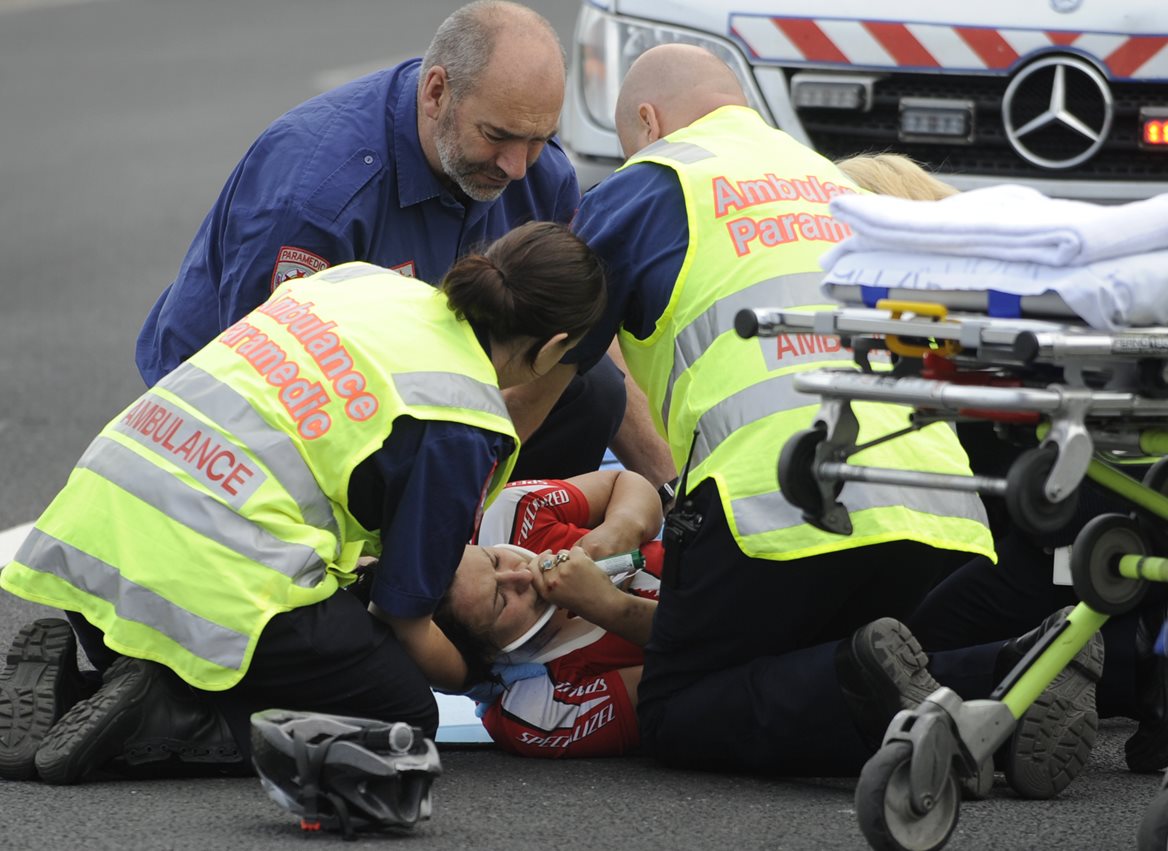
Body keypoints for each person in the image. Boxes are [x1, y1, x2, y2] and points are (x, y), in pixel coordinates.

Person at [551, 43, 1102, 794]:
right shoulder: (831, 181)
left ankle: (866, 682)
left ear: (647, 120)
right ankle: (1012, 671)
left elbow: (551, 356)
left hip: (775, 495)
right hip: (932, 501)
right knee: (875, 657)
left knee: (680, 708)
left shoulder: (655, 179)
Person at [0, 221, 606, 785]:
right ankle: (161, 714)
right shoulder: (461, 416)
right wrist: (479, 676)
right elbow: (404, 618)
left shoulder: (364, 281)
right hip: (201, 584)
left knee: (308, 623)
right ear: (554, 346)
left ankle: (90, 687)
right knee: (400, 718)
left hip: (97, 548)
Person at [132, 0, 675, 487]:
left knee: (589, 386)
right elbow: (265, 394)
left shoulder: (539, 173)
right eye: (498, 136)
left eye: (538, 139)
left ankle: (502, 546)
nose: (516, 167)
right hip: (260, 404)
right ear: (436, 92)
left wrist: (672, 490)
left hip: (421, 386)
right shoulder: (316, 201)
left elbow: (577, 335)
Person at [832, 150, 1168, 775]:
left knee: (924, 647)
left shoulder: (949, 330)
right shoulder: (982, 313)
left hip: (1064, 527)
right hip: (1077, 519)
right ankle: (1132, 660)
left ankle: (1126, 666)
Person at [439, 470, 666, 758]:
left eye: (494, 560)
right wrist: (612, 608)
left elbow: (623, 482)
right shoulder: (536, 712)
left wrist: (619, 529)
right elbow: (707, 668)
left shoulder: (508, 513)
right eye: (501, 600)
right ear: (488, 654)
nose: (519, 574)